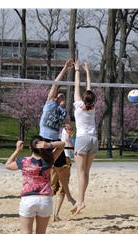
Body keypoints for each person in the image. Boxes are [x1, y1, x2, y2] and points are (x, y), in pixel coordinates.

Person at [5, 136, 65, 234]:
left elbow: (8, 165)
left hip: (28, 198)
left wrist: (17, 150)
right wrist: (49, 145)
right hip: (45, 199)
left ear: (30, 148)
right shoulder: (49, 159)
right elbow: (62, 145)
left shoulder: (24, 161)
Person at [39, 58, 76, 208]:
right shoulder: (49, 103)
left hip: (55, 142)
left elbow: (69, 126)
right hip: (43, 139)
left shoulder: (64, 112)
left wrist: (70, 129)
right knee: (42, 170)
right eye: (58, 95)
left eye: (63, 96)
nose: (60, 96)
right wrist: (65, 69)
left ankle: (69, 197)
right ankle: (40, 195)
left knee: (62, 172)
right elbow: (56, 84)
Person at [71, 60, 98, 216]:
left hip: (82, 139)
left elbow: (77, 86)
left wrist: (77, 70)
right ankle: (81, 200)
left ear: (84, 98)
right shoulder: (92, 107)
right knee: (85, 173)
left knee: (80, 173)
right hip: (93, 139)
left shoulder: (78, 105)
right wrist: (87, 71)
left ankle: (80, 202)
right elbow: (89, 89)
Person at [51, 122, 75, 221]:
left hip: (56, 159)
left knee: (53, 187)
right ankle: (55, 214)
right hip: (64, 159)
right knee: (61, 188)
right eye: (69, 128)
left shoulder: (57, 134)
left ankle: (54, 214)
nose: (70, 130)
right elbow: (70, 147)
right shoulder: (65, 136)